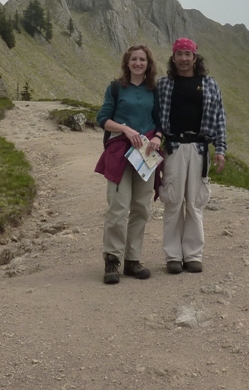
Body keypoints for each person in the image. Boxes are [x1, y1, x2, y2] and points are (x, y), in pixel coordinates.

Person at [95, 45, 163, 284]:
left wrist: (157, 137)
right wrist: (124, 128)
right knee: (118, 206)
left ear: (148, 63)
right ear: (127, 62)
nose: (138, 63)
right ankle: (112, 259)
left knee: (142, 207)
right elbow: (102, 118)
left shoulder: (153, 91)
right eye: (134, 59)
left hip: (146, 153)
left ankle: (133, 260)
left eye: (142, 59)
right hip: (120, 151)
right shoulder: (115, 88)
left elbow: (159, 121)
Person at [157, 37, 226, 274]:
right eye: (179, 54)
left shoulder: (209, 84)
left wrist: (220, 149)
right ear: (173, 58)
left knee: (195, 203)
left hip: (199, 148)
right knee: (173, 201)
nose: (184, 59)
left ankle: (193, 255)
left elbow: (219, 118)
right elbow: (156, 116)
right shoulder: (165, 84)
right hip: (173, 147)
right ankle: (173, 256)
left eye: (188, 54)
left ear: (195, 57)